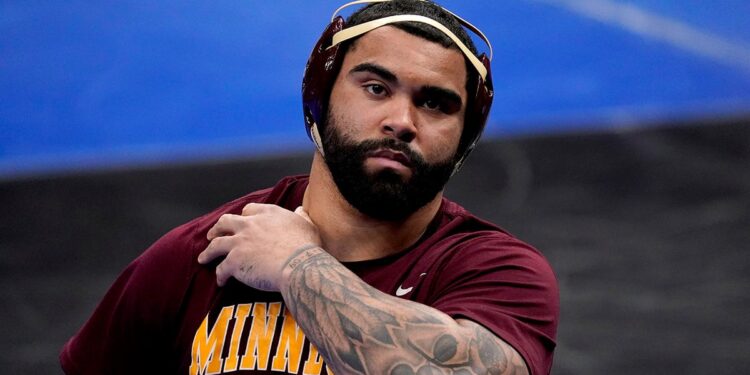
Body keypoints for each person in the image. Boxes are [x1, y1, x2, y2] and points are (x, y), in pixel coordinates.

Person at [60, 0, 559, 374]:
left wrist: (298, 266)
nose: (401, 121)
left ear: (466, 135)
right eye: (376, 88)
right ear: (319, 97)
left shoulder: (497, 274)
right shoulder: (201, 256)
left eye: (435, 104)